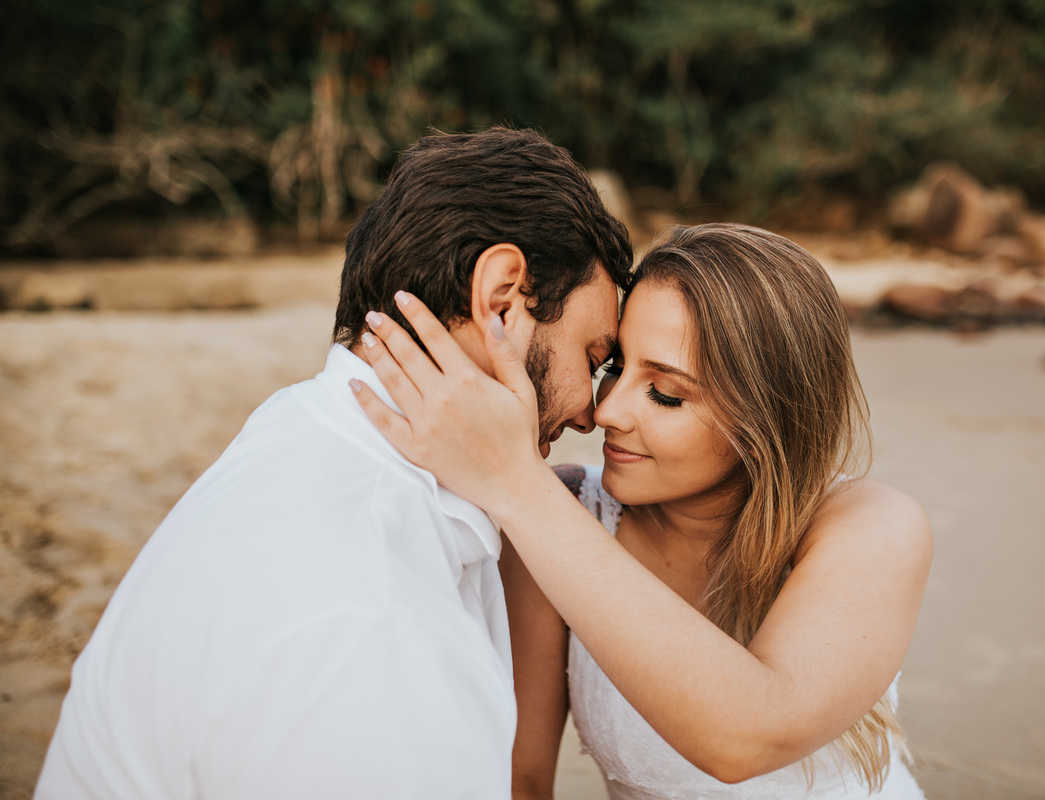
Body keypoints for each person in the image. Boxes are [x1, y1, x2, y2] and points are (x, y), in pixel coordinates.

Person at [34, 127, 634, 800]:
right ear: (501, 298)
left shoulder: (303, 428)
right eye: (591, 357)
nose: (591, 411)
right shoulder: (373, 624)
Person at [352, 223, 933, 799]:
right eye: (613, 368)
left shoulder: (870, 526)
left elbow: (748, 737)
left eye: (666, 394)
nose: (608, 412)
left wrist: (514, 480)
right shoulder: (562, 515)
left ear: (765, 420)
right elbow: (520, 781)